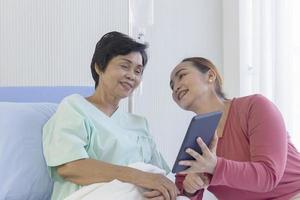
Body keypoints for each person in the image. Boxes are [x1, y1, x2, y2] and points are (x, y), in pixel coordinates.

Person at [43, 31, 179, 200]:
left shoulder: (139, 124)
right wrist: (138, 176)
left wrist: (162, 191)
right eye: (124, 66)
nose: (132, 76)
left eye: (138, 71)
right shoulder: (74, 107)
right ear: (99, 67)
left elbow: (160, 176)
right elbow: (70, 167)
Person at [169, 57, 300, 200]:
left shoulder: (255, 107)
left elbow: (269, 175)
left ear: (210, 76)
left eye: (181, 76)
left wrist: (215, 166)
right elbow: (182, 194)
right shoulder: (193, 144)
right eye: (172, 86)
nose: (176, 87)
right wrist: (190, 189)